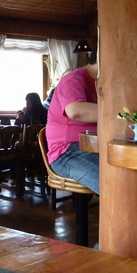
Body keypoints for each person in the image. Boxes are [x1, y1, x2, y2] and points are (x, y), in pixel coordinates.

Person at [45, 44, 99, 195]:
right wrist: (119, 114)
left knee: (129, 173)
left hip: (94, 147)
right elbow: (75, 110)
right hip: (66, 152)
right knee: (116, 181)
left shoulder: (102, 82)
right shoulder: (74, 79)